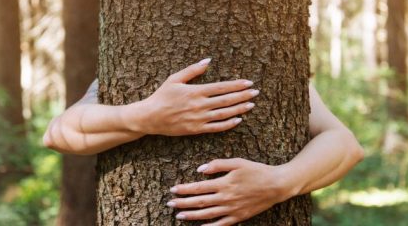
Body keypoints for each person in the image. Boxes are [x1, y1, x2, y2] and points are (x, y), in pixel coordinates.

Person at [43, 58, 364, 225]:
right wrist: (145, 117)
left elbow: (346, 145)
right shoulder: (129, 70)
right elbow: (59, 133)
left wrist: (280, 183)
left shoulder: (273, 71)